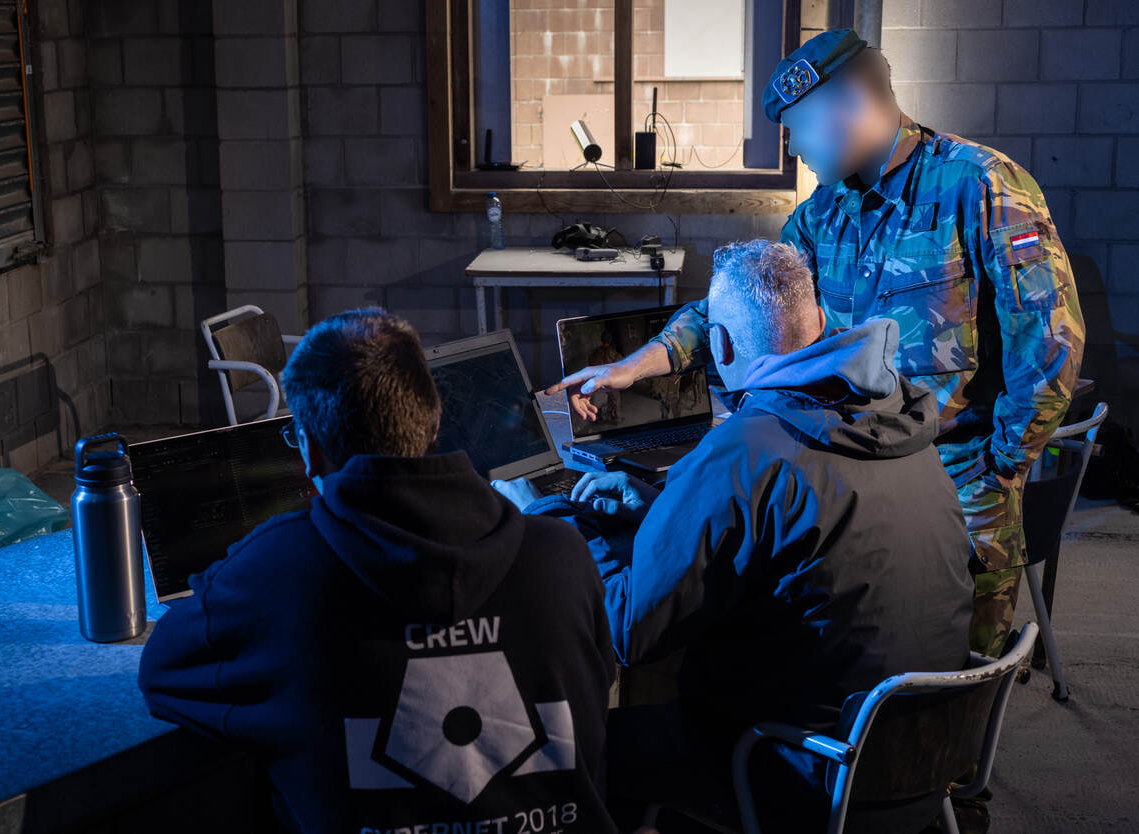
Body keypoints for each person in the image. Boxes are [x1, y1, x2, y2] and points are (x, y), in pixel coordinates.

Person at [548, 29, 1084, 661]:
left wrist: (1001, 465)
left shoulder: (980, 185)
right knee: (847, 664)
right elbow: (746, 305)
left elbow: (1050, 342)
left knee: (953, 685)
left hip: (960, 492)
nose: (796, 149)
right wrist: (638, 365)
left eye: (799, 127)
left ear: (850, 103)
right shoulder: (822, 215)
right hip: (859, 489)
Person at [496, 240, 974, 831]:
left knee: (574, 747)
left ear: (719, 346)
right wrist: (663, 510)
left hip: (797, 772)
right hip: (920, 766)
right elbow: (791, 531)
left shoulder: (745, 450)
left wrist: (546, 511)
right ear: (819, 321)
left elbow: (628, 630)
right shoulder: (901, 424)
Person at [139, 309, 617, 834]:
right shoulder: (563, 553)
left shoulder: (271, 574)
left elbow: (162, 674)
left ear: (309, 452)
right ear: (434, 424)